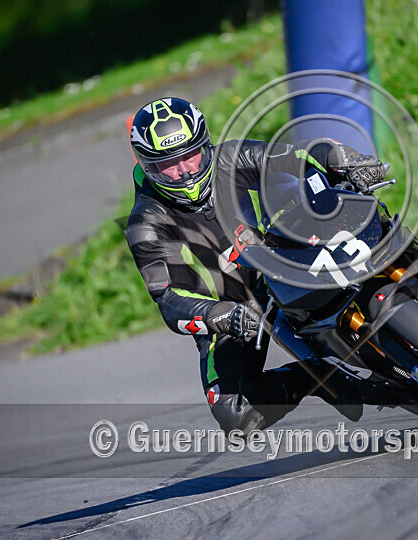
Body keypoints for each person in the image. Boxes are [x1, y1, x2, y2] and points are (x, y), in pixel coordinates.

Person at [125, 97, 388, 434]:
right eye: (169, 164)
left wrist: (348, 160)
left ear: (205, 144)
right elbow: (169, 300)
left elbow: (297, 154)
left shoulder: (230, 157)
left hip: (282, 260)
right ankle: (317, 377)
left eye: (191, 154)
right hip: (231, 309)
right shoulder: (146, 221)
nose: (186, 170)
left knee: (358, 214)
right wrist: (220, 315)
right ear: (148, 166)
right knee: (236, 416)